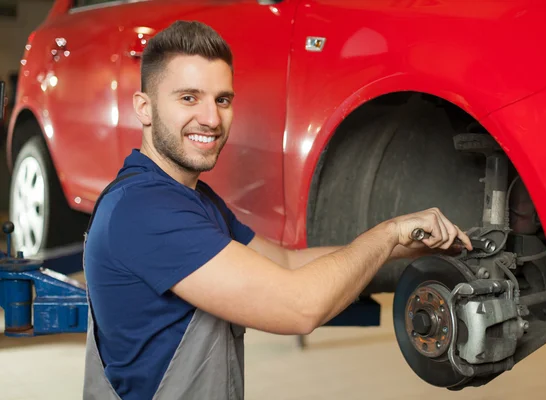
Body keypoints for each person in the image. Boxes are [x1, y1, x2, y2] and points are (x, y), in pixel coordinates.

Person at [82, 20, 473, 400]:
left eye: (222, 100)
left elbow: (287, 263)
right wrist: (387, 233)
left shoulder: (193, 201)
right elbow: (299, 307)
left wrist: (405, 244)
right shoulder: (144, 210)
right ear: (144, 108)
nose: (211, 119)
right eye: (189, 98)